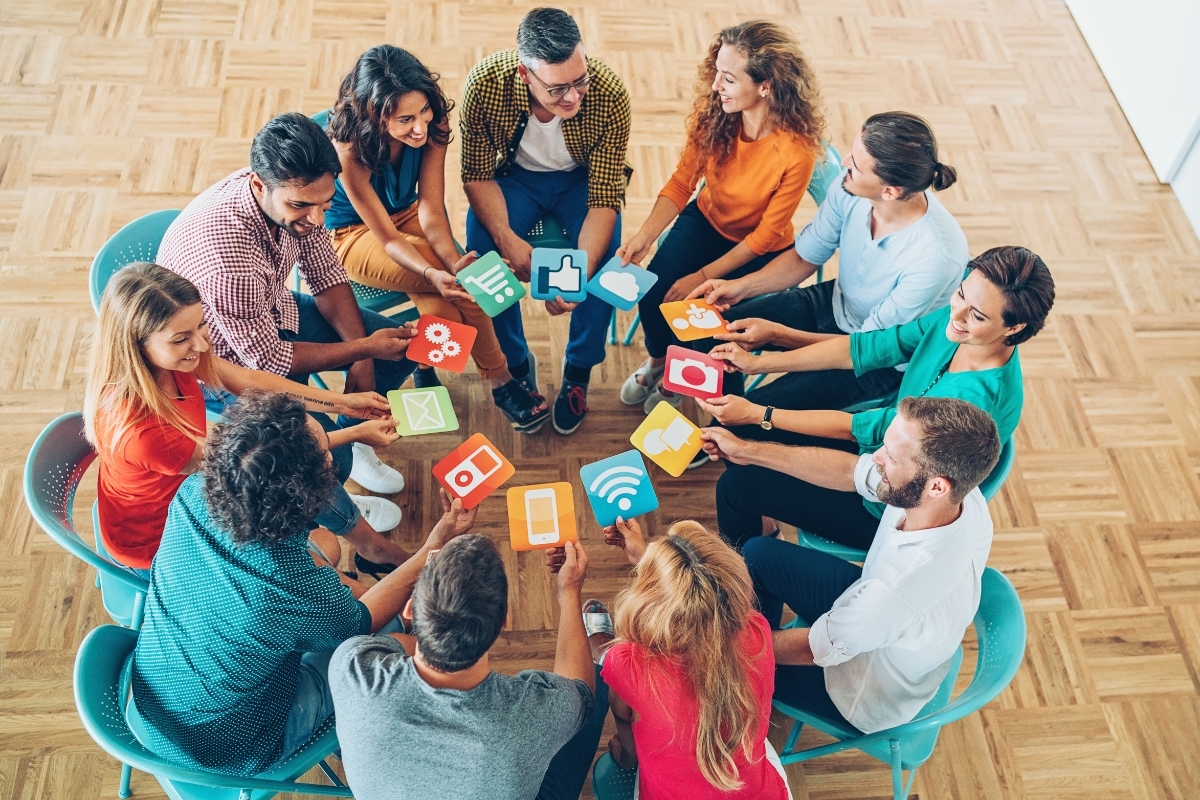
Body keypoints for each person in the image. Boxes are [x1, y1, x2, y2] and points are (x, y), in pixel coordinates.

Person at [127, 391, 478, 774]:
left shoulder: (192, 494)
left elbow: (296, 578)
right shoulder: (282, 582)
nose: (331, 455)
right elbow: (362, 623)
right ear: (308, 498)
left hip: (154, 699)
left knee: (326, 545)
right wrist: (434, 546)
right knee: (407, 645)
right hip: (234, 744)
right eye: (326, 458)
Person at [701, 245, 1055, 549]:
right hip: (885, 451)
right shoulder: (960, 325)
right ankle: (764, 533)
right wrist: (771, 347)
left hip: (891, 503)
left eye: (976, 315)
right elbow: (869, 348)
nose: (957, 313)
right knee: (752, 440)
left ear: (1015, 328)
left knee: (737, 485)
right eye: (961, 293)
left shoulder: (970, 404)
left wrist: (756, 414)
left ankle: (747, 588)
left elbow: (859, 429)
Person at [157, 111, 416, 510]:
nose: (316, 219)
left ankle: (357, 433)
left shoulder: (295, 196)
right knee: (321, 460)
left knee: (396, 356)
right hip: (219, 362)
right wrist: (362, 348)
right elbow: (269, 363)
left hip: (273, 309)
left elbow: (327, 275)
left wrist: (364, 357)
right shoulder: (229, 263)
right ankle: (340, 507)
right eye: (302, 206)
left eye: (326, 204)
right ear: (259, 185)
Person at [82, 263, 411, 575]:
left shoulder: (176, 355)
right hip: (161, 534)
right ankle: (372, 549)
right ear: (135, 345)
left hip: (193, 485)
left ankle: (366, 545)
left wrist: (343, 405)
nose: (201, 343)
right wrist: (355, 433)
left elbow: (251, 381)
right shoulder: (142, 433)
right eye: (181, 338)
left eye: (201, 324)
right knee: (307, 492)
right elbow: (264, 464)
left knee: (315, 462)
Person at [739, 397, 1001, 734]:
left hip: (858, 692)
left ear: (937, 486)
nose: (876, 457)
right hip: (878, 616)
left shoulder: (896, 593)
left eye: (890, 457)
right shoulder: (961, 496)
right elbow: (856, 472)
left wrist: (730, 644)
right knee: (759, 552)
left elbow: (812, 649)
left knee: (725, 664)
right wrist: (745, 450)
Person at [325, 45, 548, 432]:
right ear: (373, 115)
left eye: (424, 111)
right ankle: (503, 381)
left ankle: (423, 365)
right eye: (405, 119)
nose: (420, 127)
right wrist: (434, 273)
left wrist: (454, 260)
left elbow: (429, 207)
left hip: (408, 213)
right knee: (466, 290)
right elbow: (389, 239)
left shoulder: (435, 125)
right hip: (354, 233)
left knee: (448, 308)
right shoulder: (348, 151)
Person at [687, 111, 968, 416]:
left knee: (753, 412)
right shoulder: (849, 187)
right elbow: (805, 255)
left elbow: (864, 348)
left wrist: (774, 338)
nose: (844, 162)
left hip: (877, 359)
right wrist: (740, 287)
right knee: (710, 337)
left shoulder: (935, 259)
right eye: (852, 151)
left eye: (856, 164)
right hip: (836, 303)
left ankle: (726, 428)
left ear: (890, 191)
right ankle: (722, 418)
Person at [619, 20, 824, 414]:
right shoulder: (715, 115)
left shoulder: (795, 152)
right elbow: (682, 183)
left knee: (706, 324)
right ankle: (660, 362)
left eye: (728, 78)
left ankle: (692, 381)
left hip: (756, 248)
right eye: (717, 73)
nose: (715, 86)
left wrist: (701, 277)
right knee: (655, 292)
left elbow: (765, 236)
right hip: (705, 219)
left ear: (765, 86)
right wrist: (644, 237)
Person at [328, 535, 608, 800]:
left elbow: (392, 642)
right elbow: (580, 692)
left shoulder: (352, 666)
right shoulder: (535, 711)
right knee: (595, 687)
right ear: (503, 623)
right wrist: (569, 592)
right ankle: (602, 652)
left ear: (410, 610)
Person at [460, 7, 631, 435]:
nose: (573, 97)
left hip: (582, 184)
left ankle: (578, 371)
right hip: (514, 181)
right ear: (525, 75)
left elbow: (606, 195)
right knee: (482, 258)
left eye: (580, 80)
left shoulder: (610, 93)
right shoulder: (483, 86)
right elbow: (476, 175)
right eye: (558, 89)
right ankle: (516, 363)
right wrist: (505, 237)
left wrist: (577, 275)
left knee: (607, 264)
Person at [596, 518, 791, 800]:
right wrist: (648, 560)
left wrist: (628, 758)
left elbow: (625, 723)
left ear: (647, 601)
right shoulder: (756, 630)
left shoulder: (626, 662)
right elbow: (704, 613)